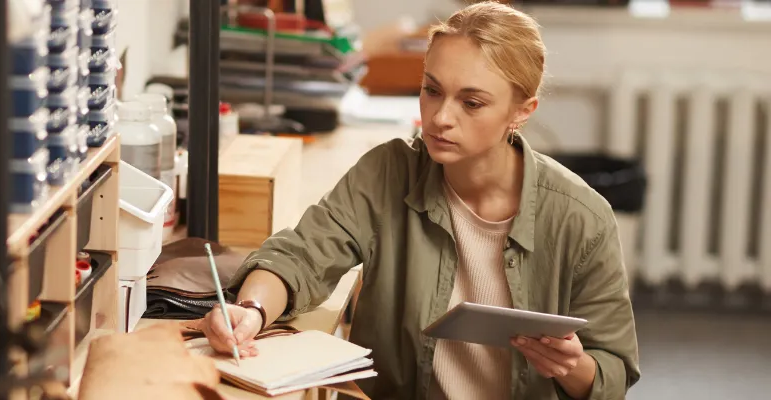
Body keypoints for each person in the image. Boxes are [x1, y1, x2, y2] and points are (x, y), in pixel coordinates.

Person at [200, 2, 640, 399]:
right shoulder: (387, 173)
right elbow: (301, 256)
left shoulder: (582, 218)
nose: (440, 117)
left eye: (471, 103)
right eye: (432, 90)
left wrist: (571, 366)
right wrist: (251, 310)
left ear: (522, 111)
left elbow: (613, 373)